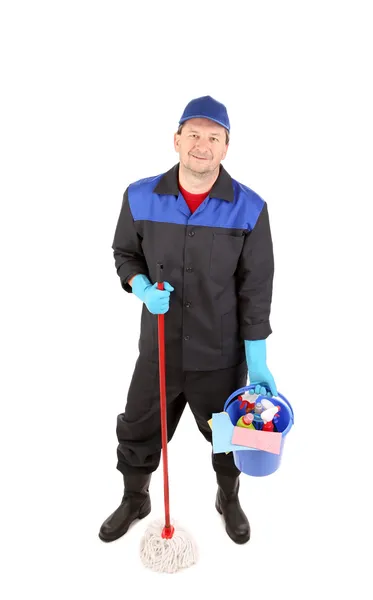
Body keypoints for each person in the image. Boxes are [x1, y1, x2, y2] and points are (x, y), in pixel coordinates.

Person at [99, 95, 278, 545]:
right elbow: (125, 253)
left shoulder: (250, 209)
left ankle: (228, 496)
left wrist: (257, 360)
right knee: (139, 426)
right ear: (176, 140)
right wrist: (139, 287)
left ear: (226, 147)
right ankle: (135, 497)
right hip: (157, 349)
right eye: (194, 135)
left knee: (229, 434)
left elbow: (255, 289)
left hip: (219, 355)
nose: (203, 144)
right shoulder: (139, 196)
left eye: (213, 137)